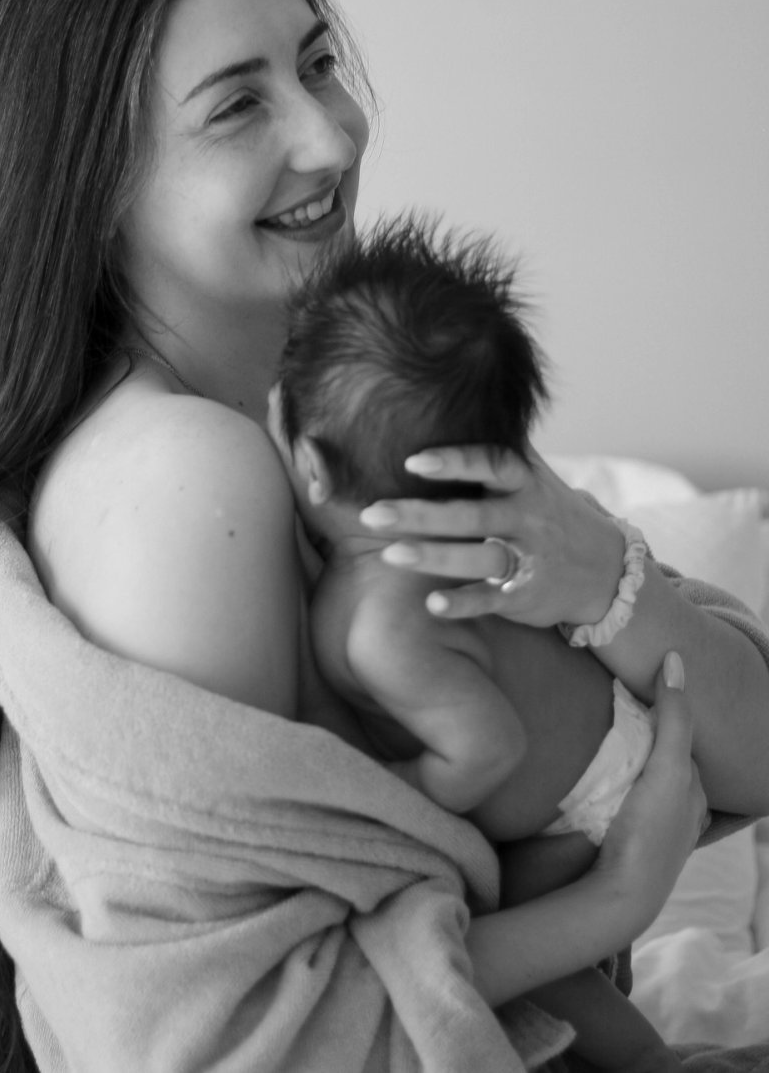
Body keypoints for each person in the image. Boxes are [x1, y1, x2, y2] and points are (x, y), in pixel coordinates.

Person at [0, 0, 769, 1073]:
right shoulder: (189, 483)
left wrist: (604, 578)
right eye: (236, 106)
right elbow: (243, 1040)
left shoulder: (348, 391)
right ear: (88, 182)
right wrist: (610, 904)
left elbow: (737, 748)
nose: (331, 136)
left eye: (318, 64)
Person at [268, 210, 684, 1069]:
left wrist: (396, 791)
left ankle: (650, 1061)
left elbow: (489, 747)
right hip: (597, 743)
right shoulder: (410, 570)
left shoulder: (381, 624)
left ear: (309, 466)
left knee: (523, 946)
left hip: (596, 787)